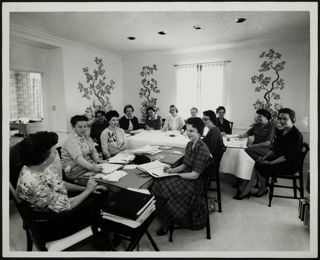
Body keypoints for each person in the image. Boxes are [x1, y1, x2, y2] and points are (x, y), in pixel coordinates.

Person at [150, 117, 211, 235]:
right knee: (157, 182)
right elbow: (185, 164)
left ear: (199, 131)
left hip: (195, 184)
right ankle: (167, 215)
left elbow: (194, 175)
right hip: (187, 176)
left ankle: (169, 218)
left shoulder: (202, 149)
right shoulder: (189, 144)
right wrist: (171, 170)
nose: (188, 133)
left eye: (191, 131)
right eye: (187, 130)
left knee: (162, 185)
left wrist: (176, 175)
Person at [235, 108, 303, 199]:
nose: (282, 121)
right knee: (258, 162)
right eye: (280, 118)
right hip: (279, 158)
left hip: (289, 164)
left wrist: (270, 163)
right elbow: (275, 148)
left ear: (293, 120)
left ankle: (255, 189)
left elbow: (286, 156)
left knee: (260, 165)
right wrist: (265, 157)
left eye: (285, 119)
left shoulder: (296, 135)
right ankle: (254, 188)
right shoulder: (281, 131)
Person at [61, 115, 104, 184]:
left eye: (85, 126)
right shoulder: (71, 140)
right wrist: (92, 167)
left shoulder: (86, 137)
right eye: (80, 127)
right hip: (76, 171)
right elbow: (79, 159)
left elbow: (93, 151)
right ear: (73, 127)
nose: (83, 129)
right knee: (102, 182)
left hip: (87, 167)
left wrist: (97, 159)